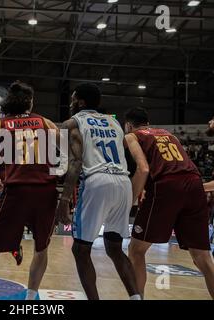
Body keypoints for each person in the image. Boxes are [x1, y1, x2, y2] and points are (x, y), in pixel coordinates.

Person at [55, 83, 141, 300]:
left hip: (97, 181)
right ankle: (136, 298)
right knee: (114, 247)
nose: (71, 102)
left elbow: (75, 164)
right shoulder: (115, 123)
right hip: (123, 182)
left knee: (81, 249)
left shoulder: (71, 123)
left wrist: (64, 199)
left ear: (81, 102)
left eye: (74, 99)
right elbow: (130, 163)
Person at [0, 81, 59, 300]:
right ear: (30, 102)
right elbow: (69, 156)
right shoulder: (47, 123)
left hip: (16, 192)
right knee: (41, 249)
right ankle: (30, 300)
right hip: (46, 192)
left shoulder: (0, 125)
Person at [124, 107, 214, 299]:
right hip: (194, 183)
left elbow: (144, 169)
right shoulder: (168, 134)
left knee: (136, 250)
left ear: (129, 125)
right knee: (203, 258)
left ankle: (137, 298)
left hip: (167, 186)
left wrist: (129, 200)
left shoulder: (132, 136)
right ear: (148, 123)